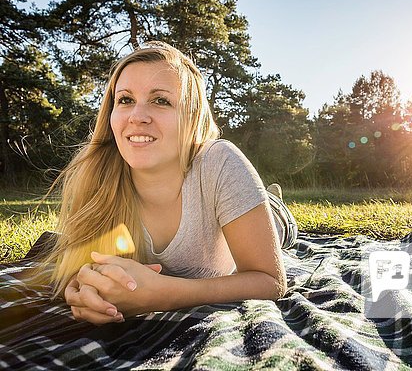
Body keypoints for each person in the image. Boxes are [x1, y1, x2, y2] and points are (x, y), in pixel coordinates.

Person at [40, 41, 297, 325]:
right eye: (125, 100)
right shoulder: (96, 176)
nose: (137, 116)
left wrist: (163, 294)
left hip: (268, 216)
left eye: (161, 100)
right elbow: (76, 270)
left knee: (278, 222)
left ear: (191, 117)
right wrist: (81, 289)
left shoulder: (220, 160)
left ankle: (271, 198)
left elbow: (271, 281)